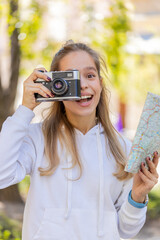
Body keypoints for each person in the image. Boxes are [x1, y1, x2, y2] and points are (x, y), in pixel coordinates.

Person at [0, 41, 159, 240]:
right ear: (55, 85)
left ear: (100, 84)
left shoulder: (123, 148)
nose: (83, 84)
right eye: (72, 77)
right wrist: (25, 109)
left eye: (90, 75)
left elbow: (125, 230)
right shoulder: (37, 138)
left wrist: (138, 196)